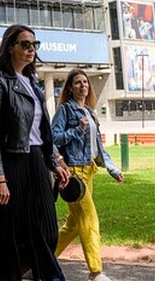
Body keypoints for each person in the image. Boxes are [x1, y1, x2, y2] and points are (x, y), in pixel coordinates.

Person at [0, 24, 70, 281]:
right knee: (9, 235)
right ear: (9, 47)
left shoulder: (33, 83)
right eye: (24, 44)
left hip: (36, 161)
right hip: (11, 163)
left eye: (34, 45)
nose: (31, 50)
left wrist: (55, 160)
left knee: (46, 229)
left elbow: (41, 130)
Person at [52, 68, 124, 281]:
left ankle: (39, 261)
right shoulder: (66, 110)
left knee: (74, 225)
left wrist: (112, 169)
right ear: (70, 88)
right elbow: (53, 139)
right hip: (72, 173)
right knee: (90, 220)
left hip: (89, 171)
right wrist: (76, 130)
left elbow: (98, 148)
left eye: (85, 82)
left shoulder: (91, 113)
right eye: (77, 83)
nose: (83, 85)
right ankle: (96, 272)